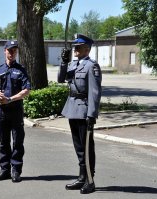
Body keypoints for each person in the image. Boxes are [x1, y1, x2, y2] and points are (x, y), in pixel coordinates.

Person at [60, 34, 102, 194]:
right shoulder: (73, 64)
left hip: (84, 111)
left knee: (87, 147)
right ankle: (81, 177)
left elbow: (94, 92)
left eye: (78, 47)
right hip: (72, 109)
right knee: (79, 147)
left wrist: (92, 115)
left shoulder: (92, 66)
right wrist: (63, 63)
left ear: (87, 49)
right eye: (74, 47)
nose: (75, 49)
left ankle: (90, 181)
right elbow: (61, 79)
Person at [0, 40, 31, 183]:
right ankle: (5, 170)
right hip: (2, 110)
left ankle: (16, 170)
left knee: (18, 141)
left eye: (15, 50)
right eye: (10, 50)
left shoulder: (21, 70)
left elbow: (26, 90)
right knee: (3, 140)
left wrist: (11, 99)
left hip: (16, 110)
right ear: (4, 51)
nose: (12, 53)